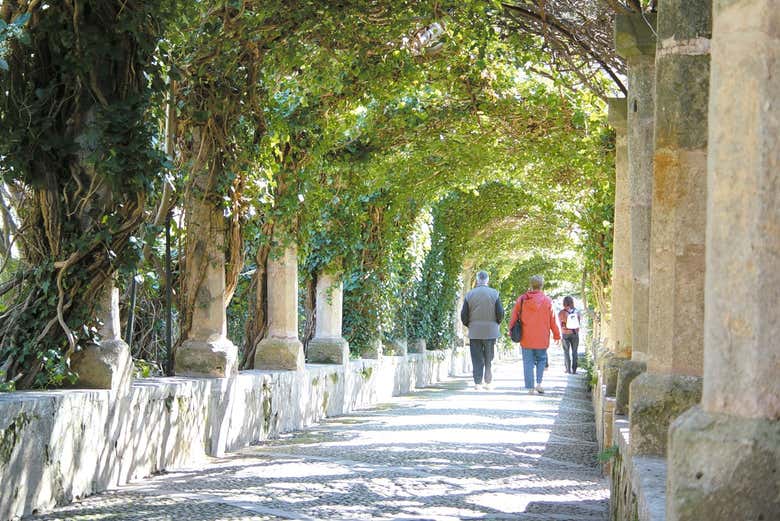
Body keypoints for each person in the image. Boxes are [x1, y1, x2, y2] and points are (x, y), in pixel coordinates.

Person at [508, 275, 560, 394]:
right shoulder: (547, 301)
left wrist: (511, 330)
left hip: (526, 336)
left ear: (531, 285)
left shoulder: (522, 299)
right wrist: (557, 335)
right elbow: (553, 319)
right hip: (542, 337)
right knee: (541, 360)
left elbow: (514, 316)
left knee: (528, 362)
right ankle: (539, 384)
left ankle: (530, 387)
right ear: (542, 286)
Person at [461, 270, 504, 390]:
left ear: (477, 279)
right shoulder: (494, 293)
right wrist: (496, 323)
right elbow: (500, 313)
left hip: (475, 330)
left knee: (476, 357)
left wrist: (469, 324)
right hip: (491, 331)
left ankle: (477, 382)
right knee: (489, 357)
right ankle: (488, 381)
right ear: (487, 280)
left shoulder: (469, 294)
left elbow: (464, 314)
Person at [558, 296, 582, 374]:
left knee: (566, 352)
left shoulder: (561, 312)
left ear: (564, 303)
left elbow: (561, 324)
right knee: (575, 352)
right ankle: (574, 370)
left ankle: (568, 369)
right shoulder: (576, 312)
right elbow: (578, 324)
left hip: (565, 334)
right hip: (574, 334)